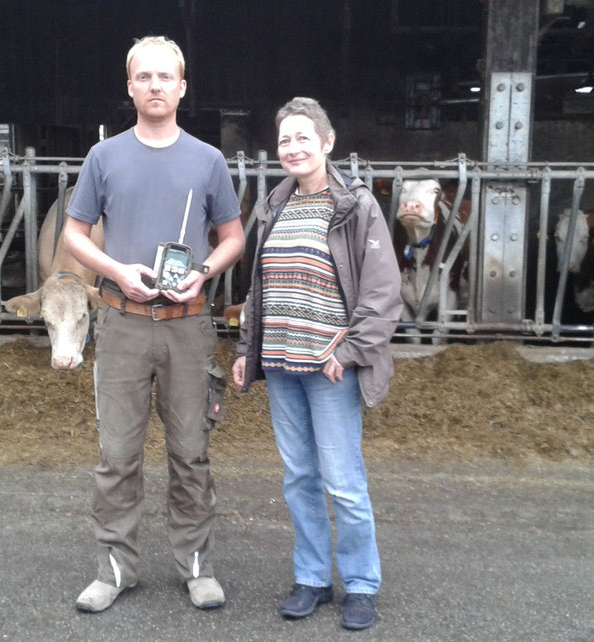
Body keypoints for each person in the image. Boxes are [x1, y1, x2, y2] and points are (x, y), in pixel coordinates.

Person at [61, 36, 244, 613]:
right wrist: (117, 268)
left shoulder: (207, 160)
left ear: (183, 87)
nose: (157, 86)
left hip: (188, 323)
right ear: (131, 86)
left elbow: (233, 237)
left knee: (191, 452)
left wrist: (204, 274)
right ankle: (114, 569)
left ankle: (196, 566)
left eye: (167, 77)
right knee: (118, 454)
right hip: (123, 321)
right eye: (145, 77)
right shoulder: (104, 157)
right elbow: (73, 233)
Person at [231, 97, 401, 631]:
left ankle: (361, 583)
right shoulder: (272, 207)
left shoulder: (356, 207)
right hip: (281, 365)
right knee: (299, 476)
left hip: (330, 371)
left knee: (343, 480)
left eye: (305, 137)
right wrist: (245, 351)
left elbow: (383, 293)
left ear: (328, 144)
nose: (294, 148)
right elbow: (258, 290)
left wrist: (348, 352)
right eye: (285, 140)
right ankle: (310, 577)